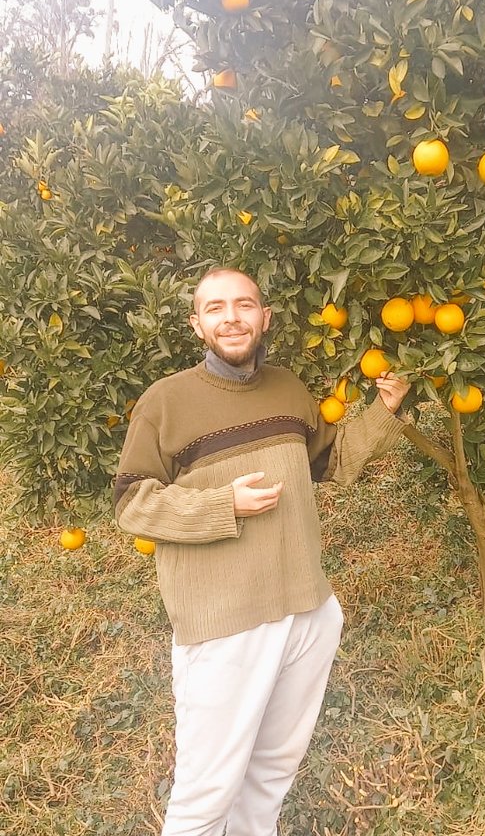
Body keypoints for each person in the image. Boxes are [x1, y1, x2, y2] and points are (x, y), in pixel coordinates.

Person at [114, 266, 409, 836]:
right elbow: (132, 504)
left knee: (272, 772)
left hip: (306, 608)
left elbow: (334, 462)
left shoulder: (288, 388)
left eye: (244, 305)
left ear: (264, 317)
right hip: (226, 622)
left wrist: (386, 409)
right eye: (216, 308)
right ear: (197, 323)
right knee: (207, 793)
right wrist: (221, 506)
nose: (232, 318)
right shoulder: (166, 402)